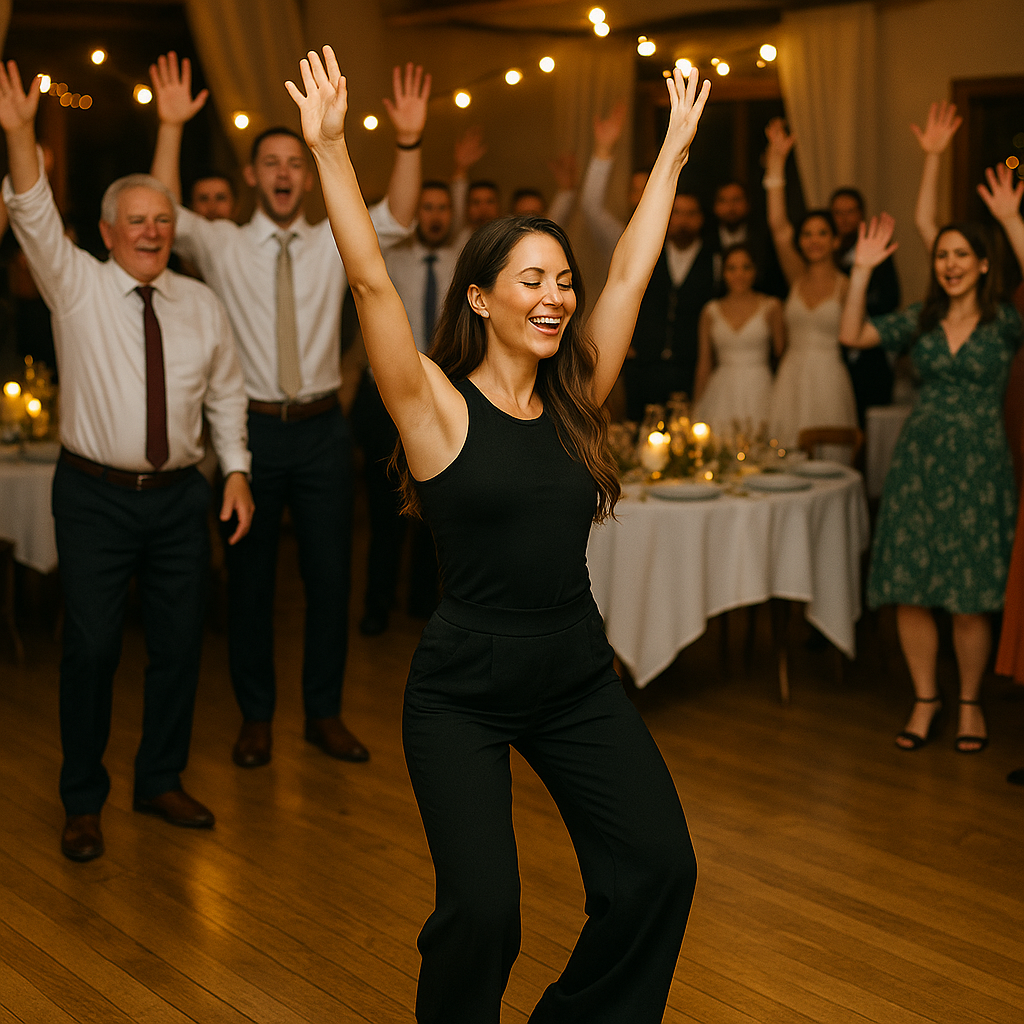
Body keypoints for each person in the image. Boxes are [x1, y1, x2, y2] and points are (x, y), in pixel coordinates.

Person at [286, 47, 707, 1023]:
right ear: (480, 298)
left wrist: (674, 152)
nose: (556, 295)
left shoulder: (577, 394)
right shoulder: (433, 407)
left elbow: (631, 273)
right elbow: (371, 285)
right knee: (484, 916)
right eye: (531, 280)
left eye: (562, 279)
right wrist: (332, 149)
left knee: (660, 867)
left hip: (572, 672)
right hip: (463, 689)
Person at [0, 60, 254, 861]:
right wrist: (19, 133)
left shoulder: (201, 304)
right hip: (94, 496)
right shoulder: (73, 283)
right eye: (135, 221)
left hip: (180, 498)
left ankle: (159, 779)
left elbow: (227, 395)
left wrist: (236, 469)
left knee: (179, 646)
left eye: (162, 221)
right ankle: (83, 800)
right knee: (93, 647)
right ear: (107, 233)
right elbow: (33, 211)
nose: (151, 232)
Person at [148, 52, 426, 769]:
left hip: (322, 432)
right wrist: (172, 126)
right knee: (250, 584)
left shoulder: (335, 235)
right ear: (251, 175)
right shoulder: (220, 242)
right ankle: (256, 718)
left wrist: (408, 141)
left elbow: (399, 214)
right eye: (270, 162)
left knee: (331, 580)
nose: (282, 173)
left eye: (294, 163)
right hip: (248, 436)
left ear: (306, 175)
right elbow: (163, 206)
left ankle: (324, 714)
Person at [838, 161, 1024, 754]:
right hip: (919, 464)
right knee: (910, 587)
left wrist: (1011, 221)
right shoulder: (921, 318)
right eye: (942, 255)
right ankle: (925, 699)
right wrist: (861, 272)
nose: (950, 263)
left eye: (962, 254)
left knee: (970, 597)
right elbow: (852, 335)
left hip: (981, 467)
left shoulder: (1005, 322)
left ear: (984, 263)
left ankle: (969, 702)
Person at [351, 179, 454, 634]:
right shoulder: (390, 259)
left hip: (442, 400)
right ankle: (377, 606)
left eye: (442, 208)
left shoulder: (464, 262)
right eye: (426, 207)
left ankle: (423, 605)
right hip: (385, 401)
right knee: (386, 510)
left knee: (436, 511)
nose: (434, 216)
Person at [762, 118, 858, 447]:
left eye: (822, 233)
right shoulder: (796, 275)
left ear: (835, 241)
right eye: (806, 234)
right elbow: (777, 224)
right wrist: (777, 162)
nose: (813, 240)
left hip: (830, 379)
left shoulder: (847, 285)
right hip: (791, 375)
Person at [623, 190, 715, 419]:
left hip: (690, 366)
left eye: (690, 214)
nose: (683, 221)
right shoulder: (647, 253)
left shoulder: (715, 260)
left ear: (701, 218)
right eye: (677, 213)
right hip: (645, 365)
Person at [693, 244, 784, 435]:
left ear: (755, 271)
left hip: (761, 387)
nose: (739, 274)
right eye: (732, 268)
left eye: (746, 267)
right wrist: (696, 405)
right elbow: (704, 363)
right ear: (723, 272)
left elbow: (782, 356)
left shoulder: (771, 307)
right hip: (721, 389)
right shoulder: (710, 311)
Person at [830, 186, 900, 422]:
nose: (844, 218)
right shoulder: (825, 253)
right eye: (838, 213)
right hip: (832, 353)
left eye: (850, 211)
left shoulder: (876, 250)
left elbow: (890, 298)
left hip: (869, 354)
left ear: (861, 214)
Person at [709, 180, 785, 298]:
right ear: (715, 206)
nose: (731, 207)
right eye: (723, 201)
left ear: (748, 203)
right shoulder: (707, 241)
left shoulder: (764, 239)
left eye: (736, 200)